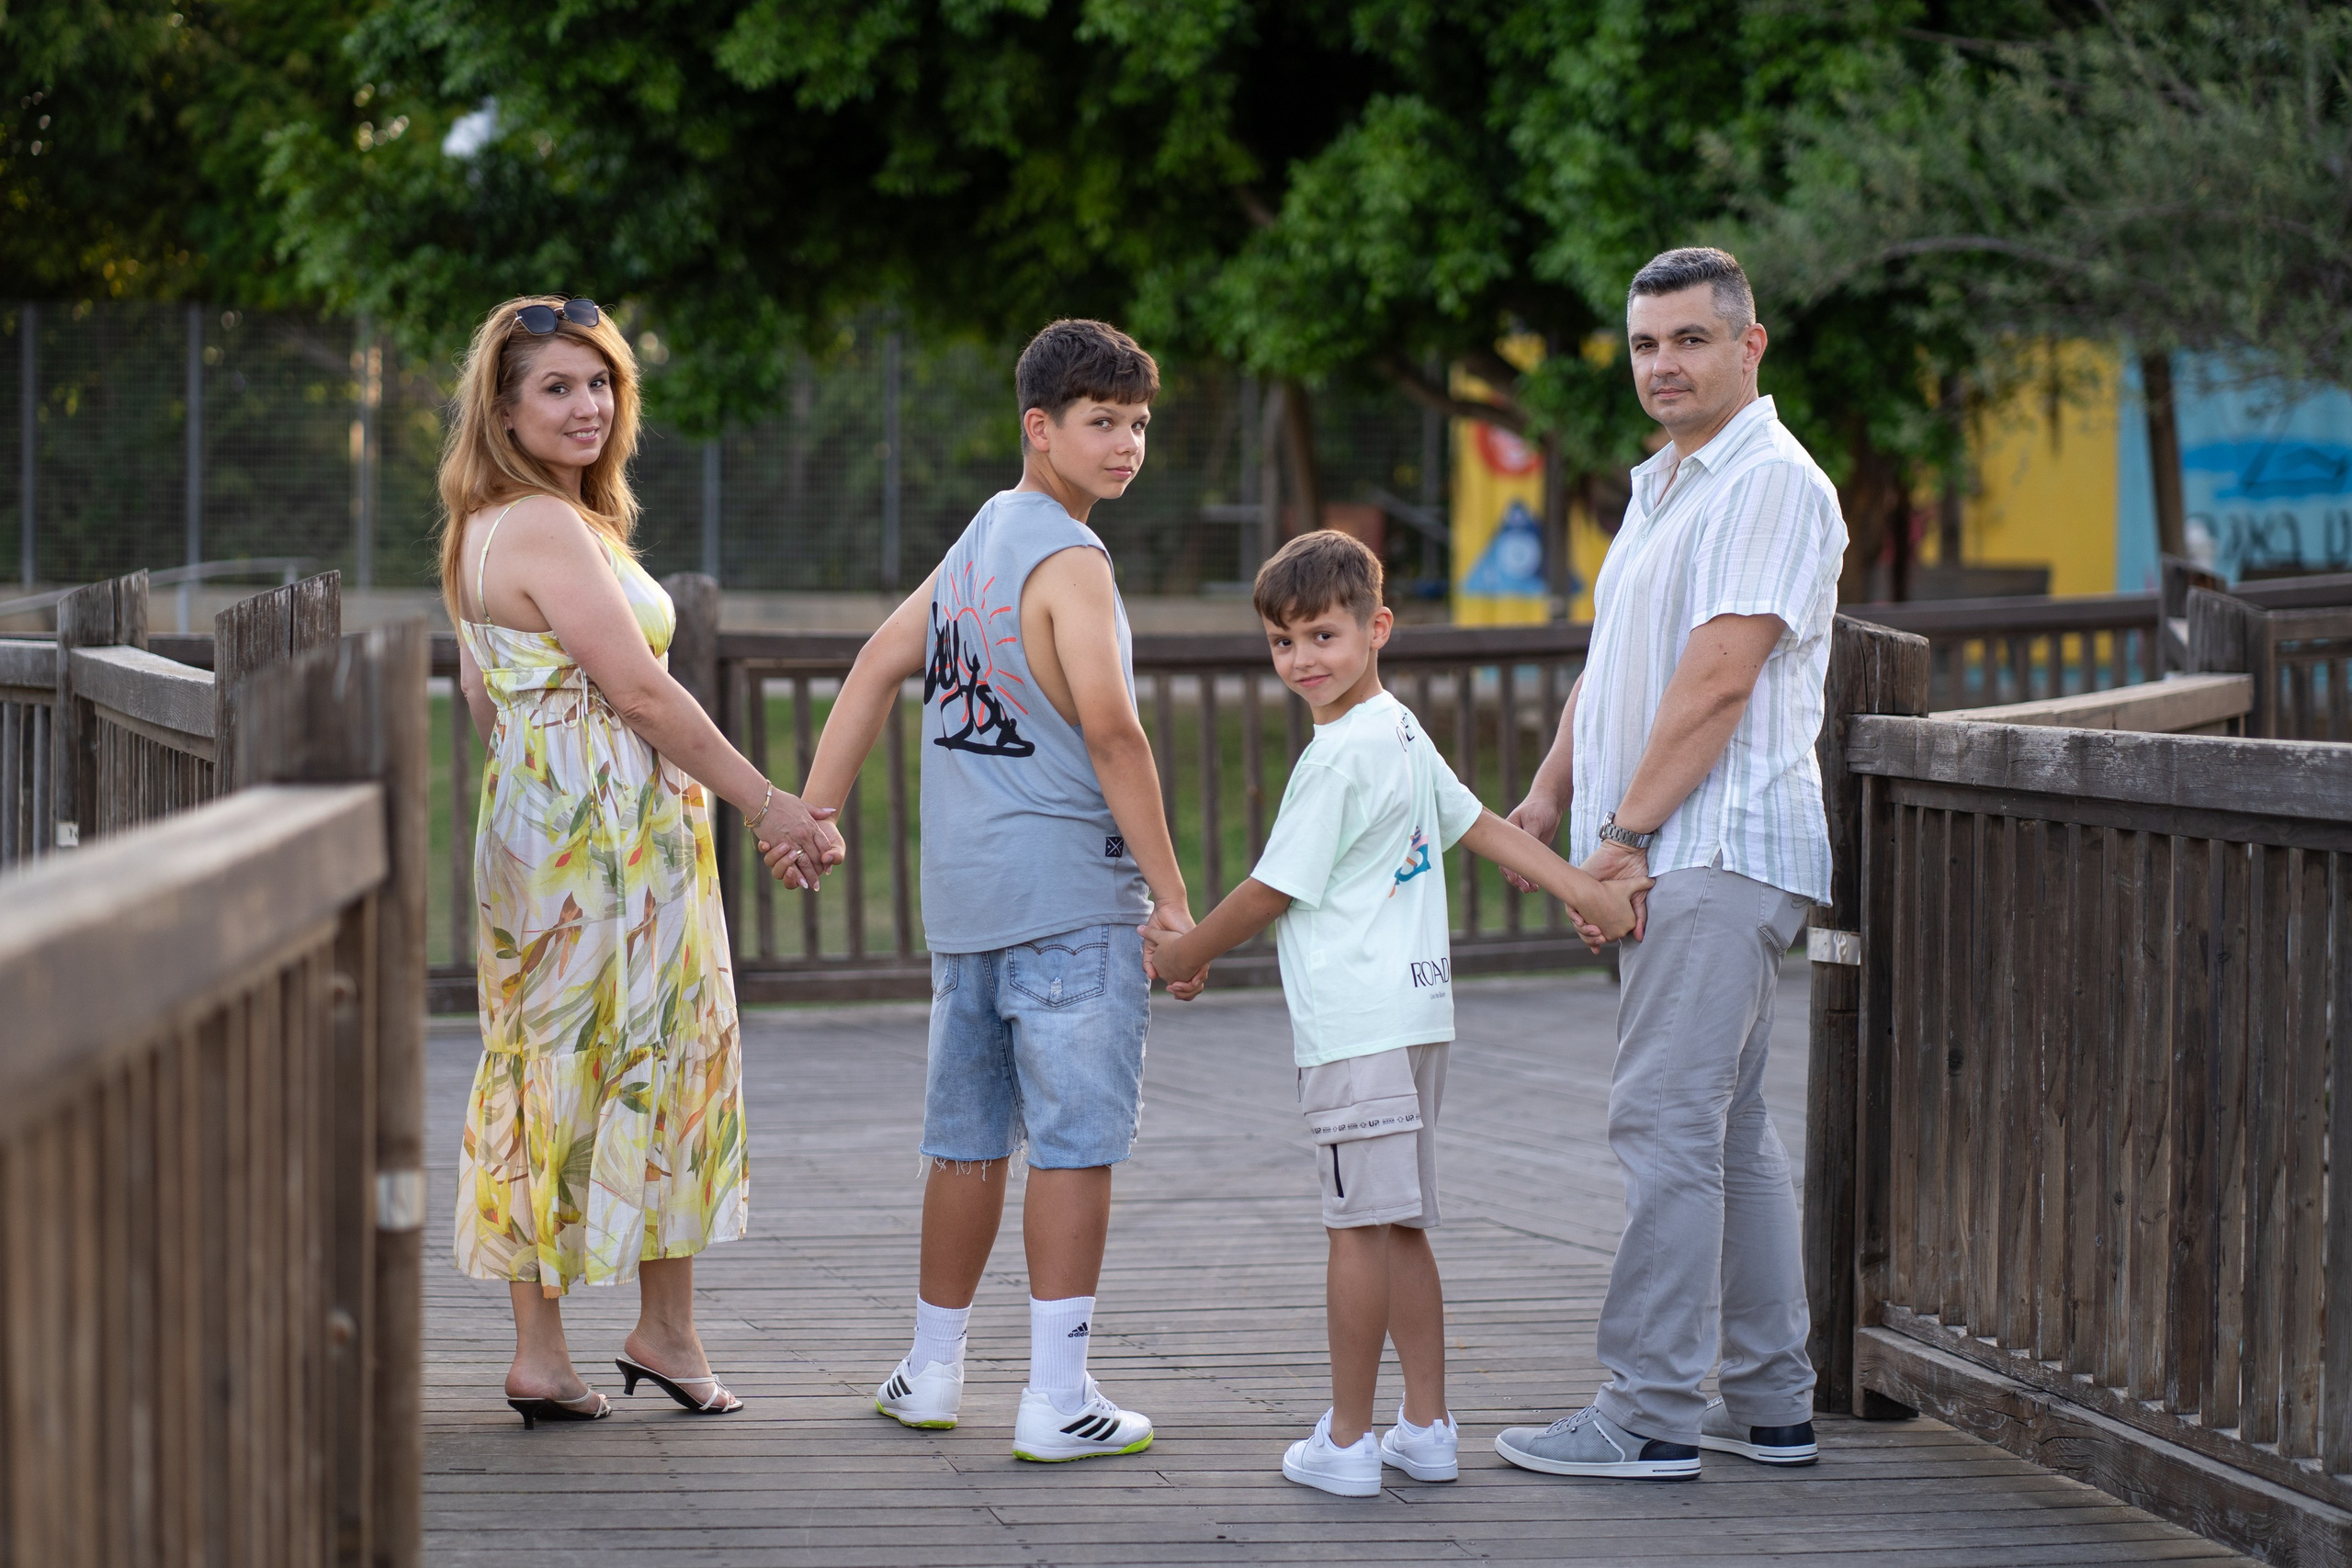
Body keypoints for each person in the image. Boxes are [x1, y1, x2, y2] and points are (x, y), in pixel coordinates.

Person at [1140, 530, 1643, 1497]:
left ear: (1377, 628)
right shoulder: (1401, 729)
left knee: (1354, 1228)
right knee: (1399, 1221)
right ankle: (1427, 1426)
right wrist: (1589, 893)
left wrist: (1185, 952)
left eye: (1322, 635)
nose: (1302, 662)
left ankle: (1346, 1440)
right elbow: (1482, 826)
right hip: (1417, 1019)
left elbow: (1269, 889)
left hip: (1356, 1026)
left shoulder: (1336, 759)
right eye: (1282, 644)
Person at [775, 318, 1195, 1461]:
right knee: (1073, 1145)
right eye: (1100, 422)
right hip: (1067, 895)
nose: (1123, 445)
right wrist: (1173, 901)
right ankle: (1059, 1400)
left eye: (1138, 425)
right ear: (1039, 427)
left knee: (964, 1142)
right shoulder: (1070, 557)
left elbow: (874, 661)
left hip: (965, 902)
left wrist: (815, 812)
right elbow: (1111, 731)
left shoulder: (975, 545)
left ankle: (929, 1370)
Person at [443, 295, 840, 1427]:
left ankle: (644, 1333)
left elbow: (485, 699)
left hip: (561, 830)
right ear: (506, 411)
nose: (586, 405)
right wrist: (771, 805)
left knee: (593, 1057)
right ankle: (567, 1347)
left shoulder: (498, 524)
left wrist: (549, 787)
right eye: (556, 388)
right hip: (601, 845)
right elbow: (640, 690)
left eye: (600, 382)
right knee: (607, 1057)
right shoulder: (542, 525)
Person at [1492, 247, 1848, 1479]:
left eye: (1690, 339)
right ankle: (1769, 1399)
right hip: (1677, 844)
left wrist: (1625, 838)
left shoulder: (1769, 483)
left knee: (1661, 1125)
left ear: (1750, 346)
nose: (1663, 364)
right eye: (1646, 344)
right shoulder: (1669, 487)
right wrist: (1551, 791)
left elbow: (1718, 680)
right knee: (1729, 1133)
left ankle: (1644, 1411)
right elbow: (1622, 663)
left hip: (1713, 845)